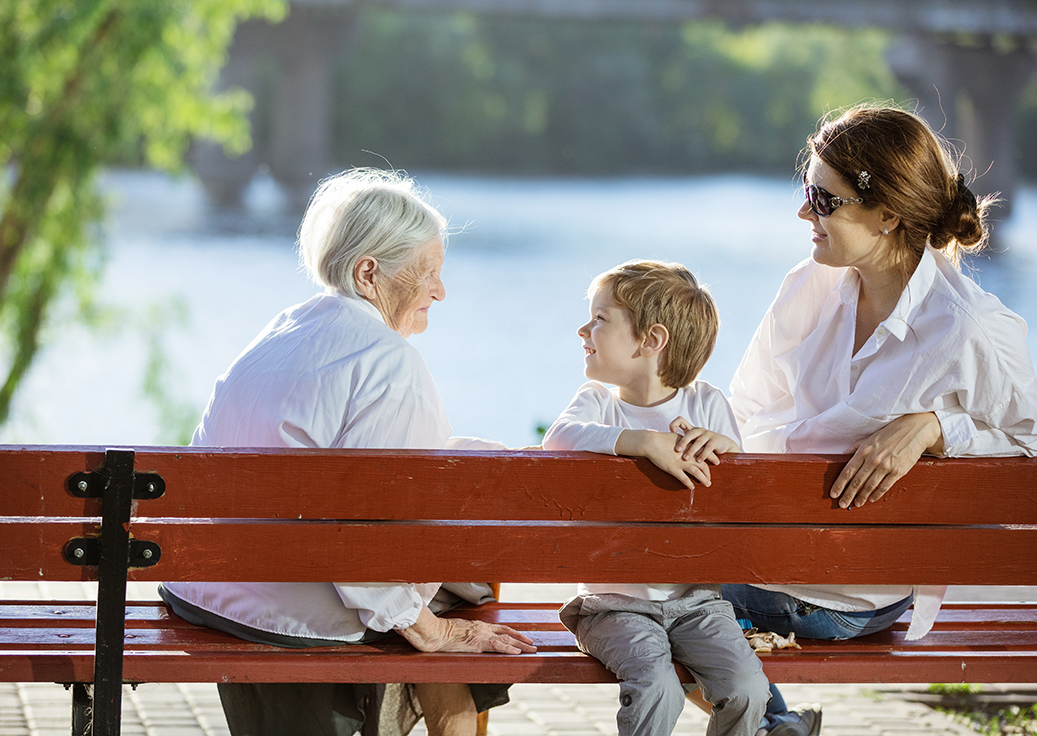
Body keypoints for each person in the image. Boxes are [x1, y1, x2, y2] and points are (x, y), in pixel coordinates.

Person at [160, 168, 536, 736]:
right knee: (464, 593)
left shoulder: (278, 332)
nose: (440, 291)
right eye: (429, 272)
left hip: (206, 591)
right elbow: (366, 545)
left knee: (447, 581)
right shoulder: (389, 362)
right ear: (369, 273)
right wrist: (433, 632)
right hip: (288, 612)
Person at [722, 103, 1037, 736]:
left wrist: (938, 429)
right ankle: (776, 729)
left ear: (888, 214)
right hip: (758, 552)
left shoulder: (969, 329)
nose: (804, 212)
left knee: (642, 601)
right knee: (644, 593)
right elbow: (743, 408)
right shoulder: (807, 285)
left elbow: (1029, 439)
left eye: (824, 199)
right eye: (807, 191)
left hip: (846, 595)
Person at [544, 260, 770, 736]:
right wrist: (641, 442)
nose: (583, 328)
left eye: (601, 318)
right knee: (657, 687)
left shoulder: (706, 404)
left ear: (651, 341)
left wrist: (726, 448)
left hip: (697, 602)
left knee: (748, 688)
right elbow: (557, 439)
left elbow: (741, 494)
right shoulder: (598, 403)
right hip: (613, 605)